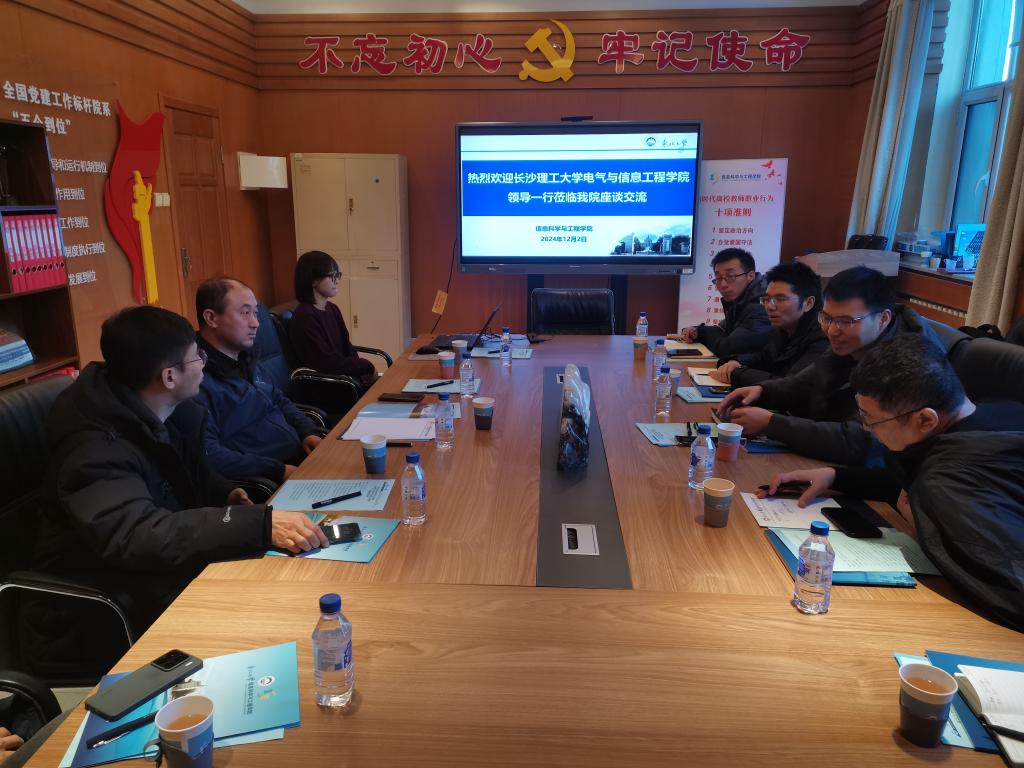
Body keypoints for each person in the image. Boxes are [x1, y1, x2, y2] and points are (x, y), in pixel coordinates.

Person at [28, 306, 327, 673]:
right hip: (95, 612)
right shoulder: (93, 449)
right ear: (169, 376)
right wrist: (257, 524)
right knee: (280, 634)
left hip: (158, 579)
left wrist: (222, 492)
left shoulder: (162, 408)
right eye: (196, 356)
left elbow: (181, 473)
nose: (204, 364)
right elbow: (139, 535)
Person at [764, 334, 1024, 631]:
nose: (867, 429)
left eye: (871, 419)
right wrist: (837, 476)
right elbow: (913, 475)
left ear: (925, 420)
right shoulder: (994, 411)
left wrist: (929, 525)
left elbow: (1011, 589)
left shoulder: (946, 486)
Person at [718, 266, 941, 464]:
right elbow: (805, 383)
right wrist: (761, 391)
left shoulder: (909, 360)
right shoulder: (853, 341)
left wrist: (772, 424)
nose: (832, 331)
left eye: (846, 321)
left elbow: (862, 441)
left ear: (883, 318)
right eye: (827, 318)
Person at [195, 277, 322, 483]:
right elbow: (210, 453)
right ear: (211, 318)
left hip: (298, 457)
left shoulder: (247, 357)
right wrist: (277, 470)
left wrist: (308, 432)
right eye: (245, 313)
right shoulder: (196, 380)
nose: (255, 323)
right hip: (271, 479)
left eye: (255, 313)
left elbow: (279, 400)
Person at [709, 260, 828, 387]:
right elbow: (763, 358)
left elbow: (791, 386)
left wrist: (737, 374)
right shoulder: (781, 330)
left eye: (780, 299)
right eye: (767, 299)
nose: (769, 306)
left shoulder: (823, 339)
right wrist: (737, 362)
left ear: (808, 303)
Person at [288, 250, 377, 386]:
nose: (337, 280)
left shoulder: (332, 309)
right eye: (332, 275)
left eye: (338, 275)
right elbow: (327, 362)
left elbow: (347, 347)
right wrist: (365, 366)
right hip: (328, 386)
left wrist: (361, 374)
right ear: (313, 280)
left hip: (346, 380)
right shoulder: (304, 317)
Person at [680, 248, 770, 359]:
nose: (723, 284)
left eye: (731, 276)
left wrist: (701, 332)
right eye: (718, 278)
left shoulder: (762, 305)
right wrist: (696, 330)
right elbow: (722, 330)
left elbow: (727, 348)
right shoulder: (741, 299)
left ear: (750, 276)